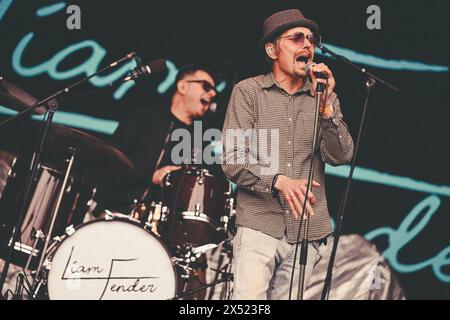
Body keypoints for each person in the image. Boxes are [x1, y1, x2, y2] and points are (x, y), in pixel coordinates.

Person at [221, 9, 354, 300]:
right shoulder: (248, 92)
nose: (307, 45)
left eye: (311, 39)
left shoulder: (324, 97)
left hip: (309, 230)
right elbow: (232, 158)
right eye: (296, 38)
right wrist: (278, 180)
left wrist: (327, 110)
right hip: (259, 225)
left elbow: (341, 156)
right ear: (272, 49)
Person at [96, 64, 219, 214]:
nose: (212, 93)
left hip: (160, 230)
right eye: (206, 86)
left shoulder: (201, 141)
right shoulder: (144, 117)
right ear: (183, 87)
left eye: (214, 90)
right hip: (114, 213)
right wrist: (151, 175)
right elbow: (109, 161)